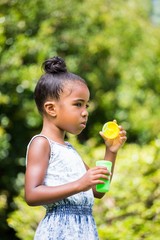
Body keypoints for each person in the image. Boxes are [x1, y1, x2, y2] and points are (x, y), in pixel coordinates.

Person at [25, 56, 127, 240]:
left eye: (86, 105)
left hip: (85, 231)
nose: (85, 112)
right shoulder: (41, 144)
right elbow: (32, 194)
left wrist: (110, 151)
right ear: (51, 109)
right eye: (78, 104)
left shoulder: (70, 149)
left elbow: (98, 191)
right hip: (59, 232)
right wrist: (79, 184)